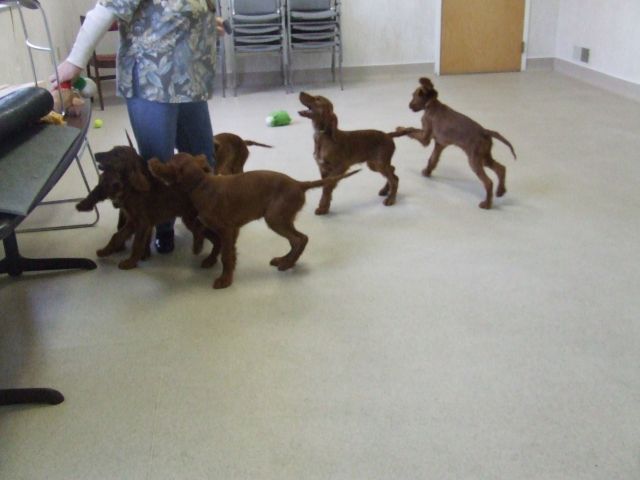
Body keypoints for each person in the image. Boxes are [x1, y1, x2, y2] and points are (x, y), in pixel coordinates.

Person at [52, 0, 224, 253]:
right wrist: (74, 62)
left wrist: (203, 22)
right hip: (152, 80)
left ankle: (205, 219)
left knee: (202, 155)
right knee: (159, 163)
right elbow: (106, 9)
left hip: (190, 79)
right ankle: (163, 229)